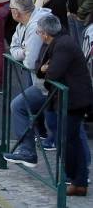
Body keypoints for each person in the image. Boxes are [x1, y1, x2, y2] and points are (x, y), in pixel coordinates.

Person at [32, 13, 93, 196]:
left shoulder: (63, 46)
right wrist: (43, 69)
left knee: (69, 140)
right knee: (68, 139)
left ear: (44, 33)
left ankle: (78, 179)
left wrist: (45, 70)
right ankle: (77, 180)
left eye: (39, 32)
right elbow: (40, 67)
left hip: (73, 101)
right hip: (68, 99)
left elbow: (52, 74)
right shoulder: (58, 42)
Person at [2, 0, 60, 170]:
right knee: (30, 108)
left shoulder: (35, 26)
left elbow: (30, 62)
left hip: (48, 84)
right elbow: (13, 48)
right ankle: (40, 140)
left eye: (11, 8)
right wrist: (22, 51)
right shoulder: (22, 25)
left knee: (18, 106)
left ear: (16, 12)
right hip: (45, 82)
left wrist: (23, 52)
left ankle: (28, 151)